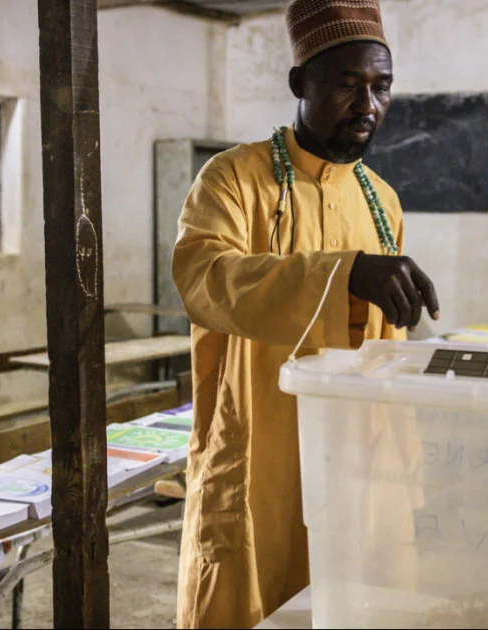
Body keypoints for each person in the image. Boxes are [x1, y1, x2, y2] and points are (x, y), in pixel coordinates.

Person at [171, 1, 439, 626]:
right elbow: (202, 278)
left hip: (357, 449)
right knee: (252, 590)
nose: (366, 104)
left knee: (354, 593)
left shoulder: (382, 200)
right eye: (347, 84)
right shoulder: (233, 179)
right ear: (300, 84)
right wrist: (342, 271)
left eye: (381, 87)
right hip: (263, 438)